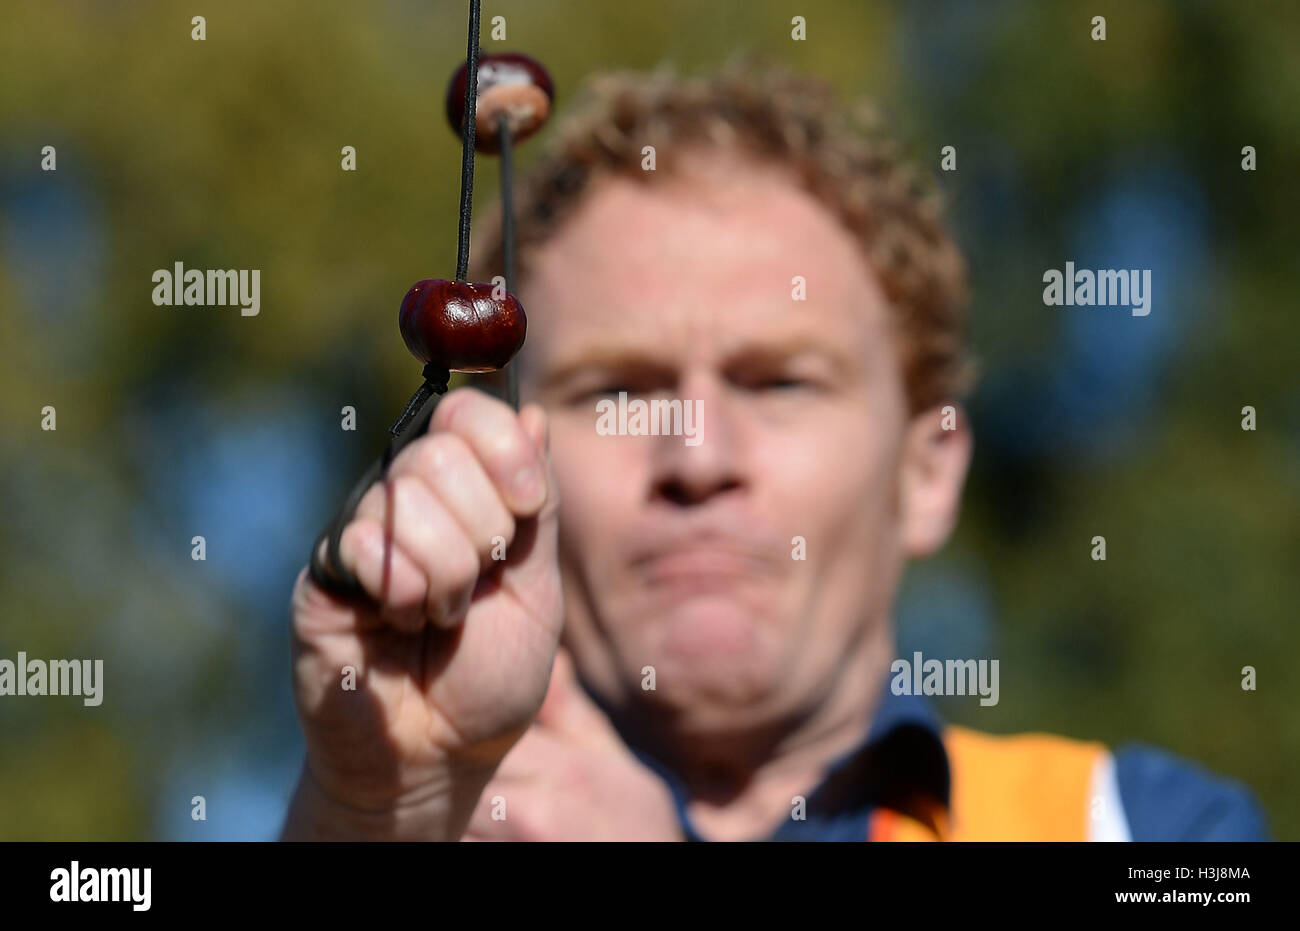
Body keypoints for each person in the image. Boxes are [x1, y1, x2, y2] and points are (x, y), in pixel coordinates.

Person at [281, 61, 1268, 841]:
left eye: (779, 382)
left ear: (924, 473)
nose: (696, 457)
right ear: (493, 444)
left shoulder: (1141, 829)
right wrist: (373, 813)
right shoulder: (371, 806)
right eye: (616, 391)